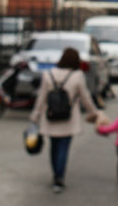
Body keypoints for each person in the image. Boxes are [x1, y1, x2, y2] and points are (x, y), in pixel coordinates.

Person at [29, 47, 99, 193]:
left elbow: (41, 98)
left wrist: (35, 115)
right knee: (63, 148)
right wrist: (94, 113)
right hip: (68, 119)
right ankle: (59, 177)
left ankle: (56, 174)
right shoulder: (78, 75)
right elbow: (85, 97)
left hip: (51, 117)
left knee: (54, 147)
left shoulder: (48, 74)